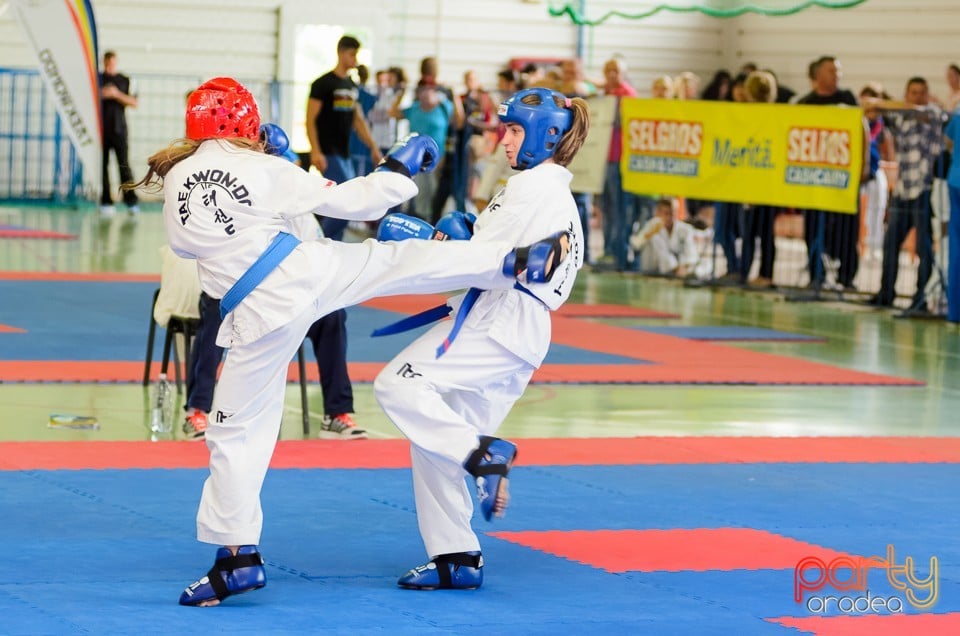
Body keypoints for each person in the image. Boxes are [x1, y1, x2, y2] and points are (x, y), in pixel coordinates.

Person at [125, 77, 569, 607]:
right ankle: (509, 261)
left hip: (253, 314)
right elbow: (353, 203)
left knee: (234, 435)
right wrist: (400, 169)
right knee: (394, 260)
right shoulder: (262, 168)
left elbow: (199, 239)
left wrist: (274, 168)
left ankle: (235, 559)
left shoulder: (177, 177)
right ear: (244, 122)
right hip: (302, 274)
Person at [373, 87, 589, 591]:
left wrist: (428, 241)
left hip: (500, 319)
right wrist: (458, 233)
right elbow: (489, 247)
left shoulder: (534, 189)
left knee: (397, 387)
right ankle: (457, 557)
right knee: (438, 441)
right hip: (519, 330)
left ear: (547, 135)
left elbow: (486, 263)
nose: (505, 140)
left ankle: (484, 455)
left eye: (514, 131)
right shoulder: (547, 192)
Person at [866, 77, 945, 311]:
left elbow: (920, 110)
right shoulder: (900, 117)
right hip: (903, 190)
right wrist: (884, 105)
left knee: (924, 248)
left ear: (928, 94)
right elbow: (870, 106)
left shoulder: (932, 114)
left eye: (922, 92)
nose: (918, 96)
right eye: (913, 92)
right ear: (906, 94)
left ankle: (920, 297)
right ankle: (885, 293)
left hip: (923, 190)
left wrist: (892, 104)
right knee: (890, 244)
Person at [306, 35, 382, 240]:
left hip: (344, 152)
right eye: (352, 53)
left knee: (346, 203)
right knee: (347, 202)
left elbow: (358, 120)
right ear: (341, 53)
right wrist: (315, 150)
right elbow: (310, 120)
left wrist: (373, 147)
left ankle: (331, 244)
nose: (355, 58)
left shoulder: (351, 85)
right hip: (328, 152)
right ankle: (317, 240)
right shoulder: (322, 84)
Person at [99, 50, 140, 216]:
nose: (110, 66)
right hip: (101, 130)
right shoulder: (98, 79)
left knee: (124, 165)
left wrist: (116, 94)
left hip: (119, 130)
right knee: (102, 166)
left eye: (112, 63)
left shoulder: (124, 80)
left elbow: (134, 102)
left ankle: (130, 201)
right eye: (107, 63)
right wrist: (102, 94)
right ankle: (106, 201)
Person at [629, 197, 699, 277]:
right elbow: (636, 245)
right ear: (659, 213)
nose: (669, 217)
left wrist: (683, 267)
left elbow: (691, 253)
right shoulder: (653, 224)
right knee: (654, 238)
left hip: (680, 270)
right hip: (652, 269)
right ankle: (674, 268)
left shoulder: (685, 229)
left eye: (672, 213)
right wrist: (648, 234)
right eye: (666, 213)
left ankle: (677, 269)